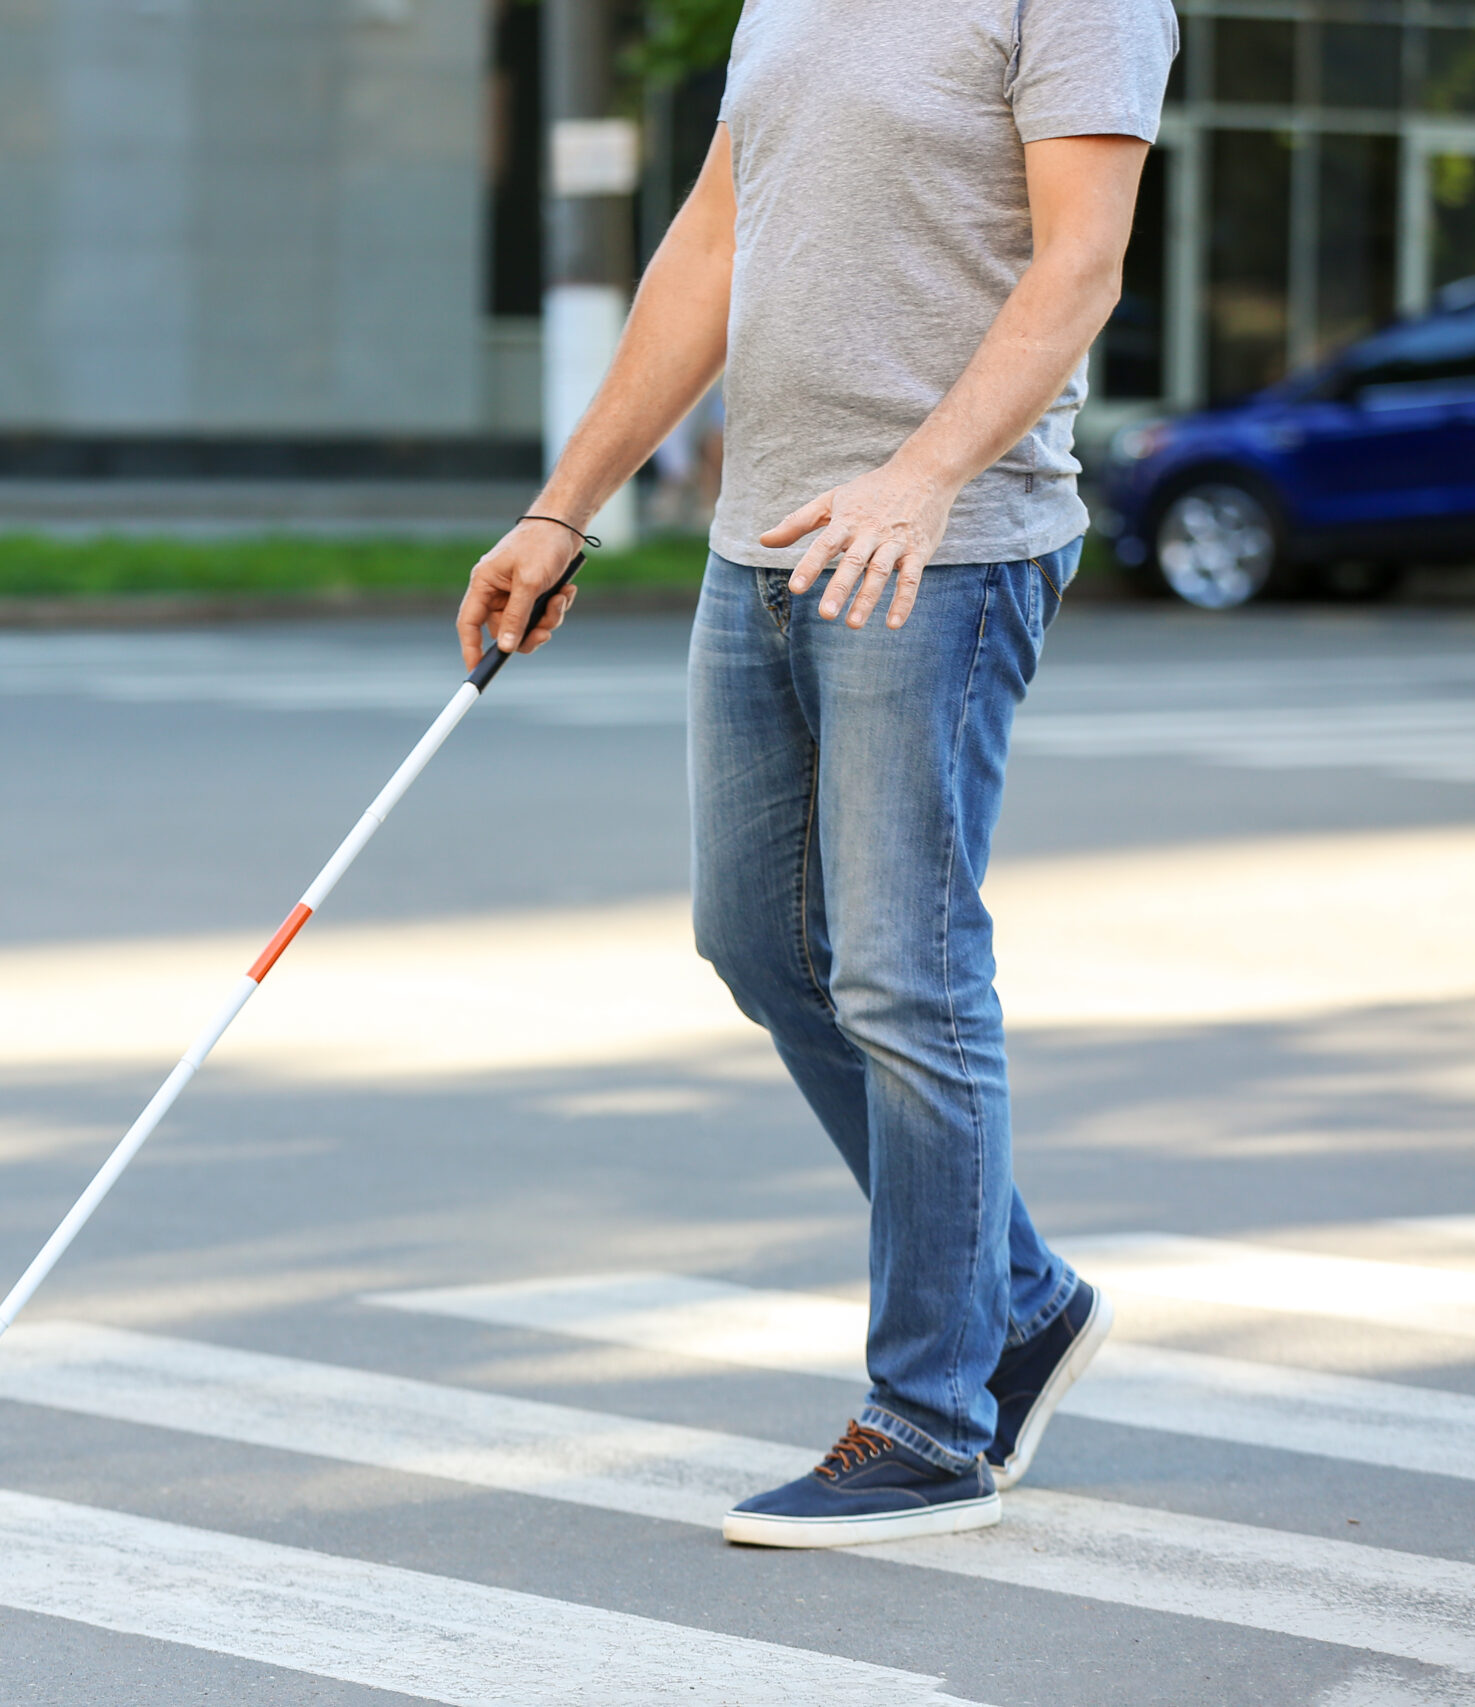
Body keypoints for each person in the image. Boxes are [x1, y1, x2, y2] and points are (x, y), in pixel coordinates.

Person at [456, 0, 1176, 1547]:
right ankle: (1020, 1302)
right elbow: (712, 246)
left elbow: (1080, 264)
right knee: (762, 946)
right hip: (760, 541)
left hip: (945, 550)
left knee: (906, 973)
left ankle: (931, 1420)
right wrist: (562, 508)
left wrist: (921, 479)